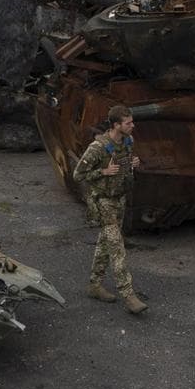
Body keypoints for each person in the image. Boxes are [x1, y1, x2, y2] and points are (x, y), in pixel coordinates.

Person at [74, 105, 148, 315]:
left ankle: (95, 285)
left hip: (119, 198)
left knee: (105, 243)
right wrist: (102, 171)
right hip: (103, 201)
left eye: (132, 122)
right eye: (128, 123)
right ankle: (128, 295)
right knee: (117, 247)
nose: (133, 126)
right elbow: (78, 175)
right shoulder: (97, 147)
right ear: (116, 125)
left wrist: (133, 163)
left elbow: (124, 166)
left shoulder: (128, 141)